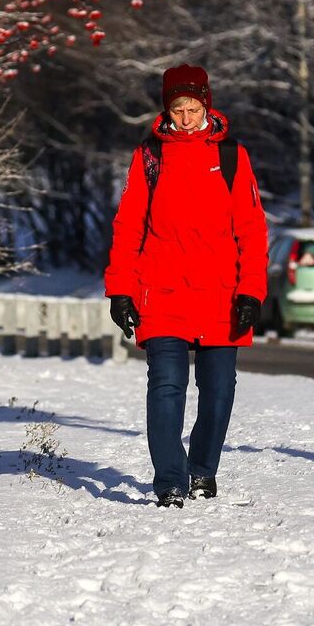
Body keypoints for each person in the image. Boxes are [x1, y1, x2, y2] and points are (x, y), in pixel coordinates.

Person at [104, 64, 269, 507]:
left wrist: (252, 290)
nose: (186, 117)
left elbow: (252, 229)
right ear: (167, 109)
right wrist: (120, 288)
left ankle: (202, 470)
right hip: (162, 291)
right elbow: (128, 225)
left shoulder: (233, 155)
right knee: (167, 386)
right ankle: (170, 479)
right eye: (177, 109)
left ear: (206, 104)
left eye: (193, 107)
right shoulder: (149, 157)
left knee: (219, 389)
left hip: (221, 293)